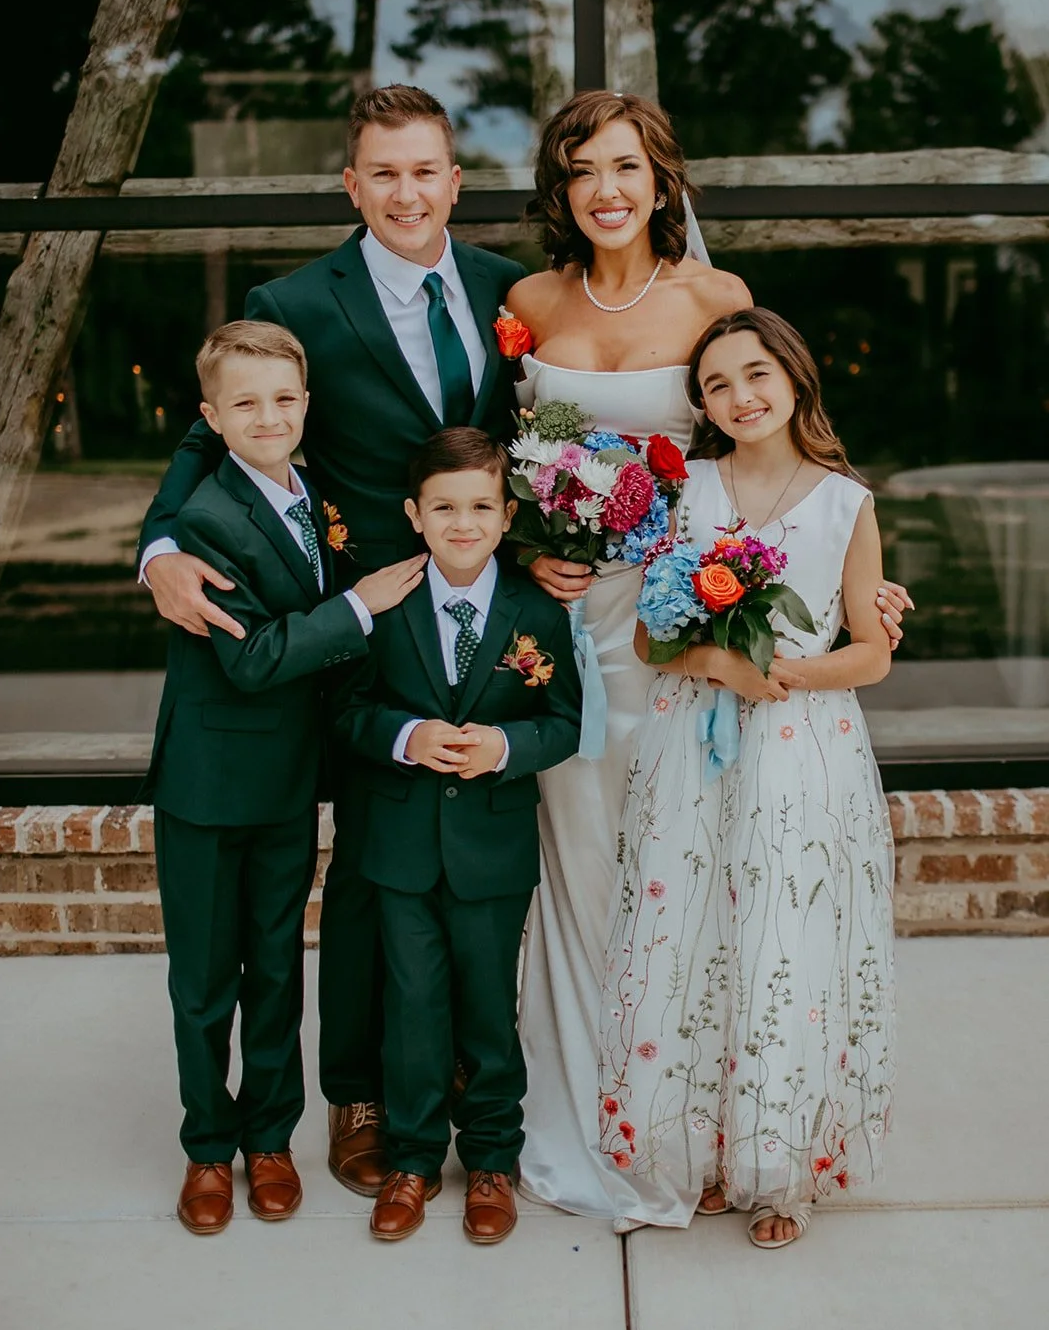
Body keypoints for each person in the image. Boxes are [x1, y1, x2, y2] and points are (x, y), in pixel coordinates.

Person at [505, 90, 912, 1220]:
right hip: (581, 616)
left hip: (699, 612)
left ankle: (721, 1116)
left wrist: (850, 590)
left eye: (627, 165)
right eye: (584, 169)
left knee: (699, 872)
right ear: (562, 187)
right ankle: (595, 1107)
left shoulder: (717, 297)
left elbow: (762, 437)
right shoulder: (529, 301)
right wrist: (533, 547)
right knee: (586, 858)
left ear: (663, 176)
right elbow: (510, 458)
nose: (608, 190)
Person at [136, 85, 525, 1198]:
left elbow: (542, 441)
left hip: (490, 619)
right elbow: (203, 438)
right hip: (357, 632)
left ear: (455, 180)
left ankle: (465, 1077)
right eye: (383, 172)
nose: (408, 192)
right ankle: (357, 1091)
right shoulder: (295, 297)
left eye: (426, 170)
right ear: (352, 186)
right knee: (367, 870)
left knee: (476, 854)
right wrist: (160, 549)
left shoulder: (512, 293)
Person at [599, 307, 896, 1247]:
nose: (742, 396)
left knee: (783, 941)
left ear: (795, 376)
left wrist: (778, 677)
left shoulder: (844, 502)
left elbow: (870, 654)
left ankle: (784, 1172)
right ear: (701, 402)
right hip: (693, 742)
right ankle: (706, 1148)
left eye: (757, 373)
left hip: (802, 744)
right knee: (692, 936)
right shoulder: (684, 492)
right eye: (718, 383)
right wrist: (714, 665)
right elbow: (650, 635)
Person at [142, 321, 425, 1234]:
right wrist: (361, 604)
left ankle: (270, 1137)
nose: (268, 417)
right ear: (211, 418)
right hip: (208, 780)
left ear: (305, 405)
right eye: (246, 403)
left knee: (273, 965)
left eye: (282, 399)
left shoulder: (317, 496)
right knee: (204, 979)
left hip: (286, 782)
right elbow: (256, 659)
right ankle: (205, 1148)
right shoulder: (206, 520)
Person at [336, 429, 582, 1244]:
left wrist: (503, 747)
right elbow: (347, 710)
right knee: (410, 1006)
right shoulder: (385, 602)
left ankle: (489, 1160)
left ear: (507, 514)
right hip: (399, 847)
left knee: (485, 1008)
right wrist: (405, 737)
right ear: (414, 514)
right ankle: (410, 1158)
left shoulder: (534, 611)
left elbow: (564, 722)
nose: (463, 522)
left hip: (492, 848)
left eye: (480, 506)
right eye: (444, 507)